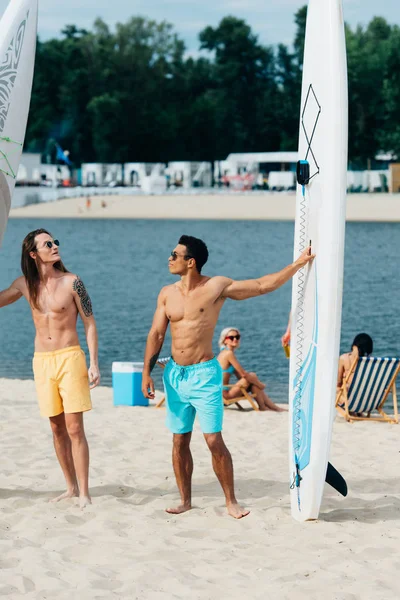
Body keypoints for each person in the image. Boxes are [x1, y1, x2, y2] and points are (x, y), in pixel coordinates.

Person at [142, 234, 314, 519]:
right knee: (179, 440)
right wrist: (147, 372)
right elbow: (156, 334)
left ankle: (231, 501)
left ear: (190, 262)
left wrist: (297, 264)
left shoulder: (215, 287)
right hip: (174, 375)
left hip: (204, 374)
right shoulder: (166, 293)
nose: (170, 258)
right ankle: (185, 500)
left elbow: (261, 286)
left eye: (175, 255)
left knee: (213, 440)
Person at [0, 229, 100, 508]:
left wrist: (93, 363)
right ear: (33, 254)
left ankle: (84, 493)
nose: (55, 246)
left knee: (74, 428)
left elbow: (90, 323)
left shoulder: (73, 282)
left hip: (70, 357)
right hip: (42, 361)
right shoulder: (24, 285)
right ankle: (70, 487)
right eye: (48, 244)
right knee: (56, 428)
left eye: (55, 242)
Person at [217, 327, 286, 412]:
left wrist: (253, 382)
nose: (235, 339)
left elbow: (240, 376)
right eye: (231, 337)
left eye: (237, 337)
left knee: (253, 382)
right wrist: (260, 384)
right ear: (224, 340)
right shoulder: (228, 354)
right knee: (252, 376)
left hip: (221, 395)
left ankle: (265, 407)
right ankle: (272, 407)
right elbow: (243, 374)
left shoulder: (224, 353)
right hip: (225, 395)